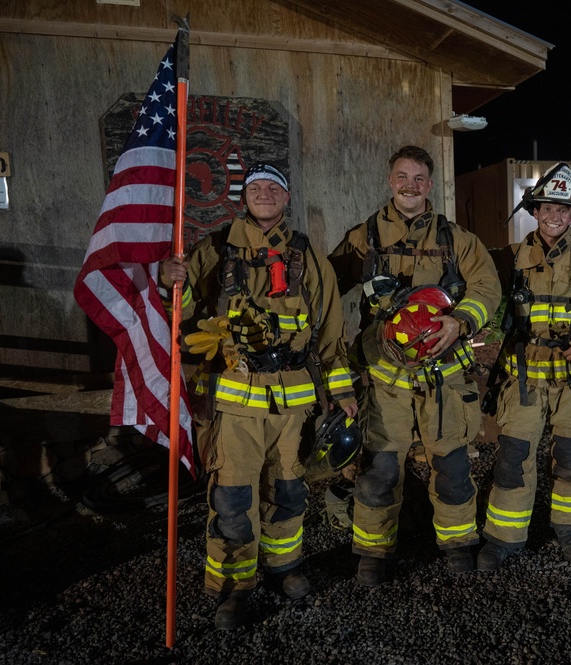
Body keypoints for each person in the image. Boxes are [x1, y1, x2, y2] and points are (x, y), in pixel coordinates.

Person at [159, 163, 357, 629]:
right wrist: (172, 279)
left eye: (274, 188)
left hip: (294, 404)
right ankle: (233, 584)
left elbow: (331, 332)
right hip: (235, 403)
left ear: (286, 199)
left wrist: (343, 391)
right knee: (232, 498)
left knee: (288, 490)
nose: (265, 195)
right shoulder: (215, 249)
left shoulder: (308, 258)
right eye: (256, 189)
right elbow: (181, 312)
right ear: (242, 198)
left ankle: (283, 565)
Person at [328, 145, 501, 587]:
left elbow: (487, 287)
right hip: (386, 382)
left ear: (430, 183)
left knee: (453, 465)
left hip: (445, 376)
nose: (410, 185)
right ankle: (372, 552)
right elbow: (326, 286)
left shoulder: (455, 239)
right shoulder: (363, 236)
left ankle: (458, 543)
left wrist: (461, 320)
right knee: (380, 468)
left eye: (419, 178)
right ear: (391, 181)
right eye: (402, 177)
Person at [476, 163, 571, 570]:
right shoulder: (509, 258)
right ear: (535, 209)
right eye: (548, 207)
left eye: (564, 209)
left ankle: (570, 529)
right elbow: (475, 283)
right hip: (523, 380)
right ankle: (504, 538)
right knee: (512, 459)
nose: (555, 216)